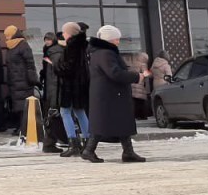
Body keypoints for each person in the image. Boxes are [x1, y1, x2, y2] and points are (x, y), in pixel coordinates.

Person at [82, 25, 151, 163]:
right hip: (111, 94)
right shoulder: (106, 53)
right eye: (116, 39)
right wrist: (137, 76)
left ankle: (127, 151)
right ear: (109, 40)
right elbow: (115, 73)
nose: (118, 42)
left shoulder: (99, 52)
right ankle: (90, 150)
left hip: (107, 94)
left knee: (116, 122)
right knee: (110, 121)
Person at [55, 22, 90, 157]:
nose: (63, 34)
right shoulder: (82, 46)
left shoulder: (72, 47)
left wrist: (57, 66)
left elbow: (68, 68)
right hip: (80, 85)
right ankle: (88, 142)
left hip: (71, 86)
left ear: (69, 33)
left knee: (65, 112)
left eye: (64, 31)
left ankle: (73, 143)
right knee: (80, 112)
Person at [4, 25, 40, 134]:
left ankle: (25, 128)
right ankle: (21, 126)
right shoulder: (11, 46)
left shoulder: (23, 45)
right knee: (18, 106)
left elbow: (30, 63)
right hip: (14, 81)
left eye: (8, 35)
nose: (6, 37)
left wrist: (32, 79)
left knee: (24, 106)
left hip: (24, 80)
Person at [41, 31, 64, 153]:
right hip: (52, 89)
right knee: (53, 116)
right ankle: (51, 142)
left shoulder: (53, 51)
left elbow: (54, 75)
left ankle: (50, 142)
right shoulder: (52, 51)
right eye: (45, 39)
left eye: (49, 39)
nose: (46, 41)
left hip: (53, 89)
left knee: (52, 116)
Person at [129, 51, 151, 120]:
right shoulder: (143, 65)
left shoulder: (133, 63)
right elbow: (146, 74)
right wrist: (150, 74)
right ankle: (143, 116)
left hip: (132, 84)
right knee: (141, 101)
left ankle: (136, 115)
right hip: (139, 84)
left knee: (135, 101)